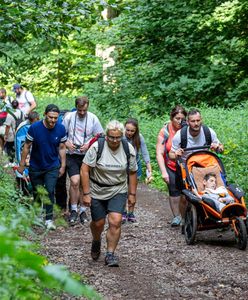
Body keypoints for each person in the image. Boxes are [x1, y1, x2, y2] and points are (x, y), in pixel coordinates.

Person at [81, 120, 137, 267]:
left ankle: (110, 254)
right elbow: (84, 169)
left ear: (122, 136)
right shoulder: (97, 147)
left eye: (118, 137)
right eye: (111, 137)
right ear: (106, 136)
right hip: (97, 189)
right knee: (98, 223)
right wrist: (86, 193)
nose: (114, 140)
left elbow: (132, 172)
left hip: (118, 189)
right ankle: (96, 239)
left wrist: (132, 194)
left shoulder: (127, 148)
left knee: (116, 221)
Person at [169, 108, 224, 228]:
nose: (196, 123)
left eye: (198, 120)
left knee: (213, 189)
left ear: (201, 120)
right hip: (186, 167)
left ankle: (215, 214)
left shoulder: (209, 132)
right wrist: (176, 154)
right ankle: (185, 221)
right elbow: (171, 154)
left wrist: (218, 147)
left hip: (205, 165)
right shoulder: (180, 135)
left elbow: (221, 148)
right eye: (193, 121)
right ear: (188, 122)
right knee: (185, 196)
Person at [17, 104, 67, 230]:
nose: (53, 121)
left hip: (52, 166)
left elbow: (61, 147)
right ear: (45, 115)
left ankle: (49, 219)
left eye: (55, 118)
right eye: (50, 117)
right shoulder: (34, 128)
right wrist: (22, 165)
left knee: (50, 191)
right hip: (36, 165)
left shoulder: (61, 128)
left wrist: (63, 165)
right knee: (37, 192)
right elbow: (27, 146)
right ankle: (38, 214)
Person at [62, 96, 104, 225]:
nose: (82, 113)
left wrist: (89, 144)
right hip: (72, 153)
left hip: (87, 155)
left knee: (83, 183)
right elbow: (61, 132)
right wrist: (66, 142)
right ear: (76, 107)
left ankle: (83, 210)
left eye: (84, 110)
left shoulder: (93, 118)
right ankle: (73, 209)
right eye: (79, 110)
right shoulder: (69, 117)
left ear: (87, 107)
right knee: (75, 181)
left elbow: (100, 135)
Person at [156, 105, 187, 227]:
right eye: (177, 118)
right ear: (171, 118)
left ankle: (186, 216)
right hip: (171, 165)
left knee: (185, 194)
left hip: (186, 165)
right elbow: (159, 152)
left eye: (182, 118)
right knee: (174, 191)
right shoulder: (165, 131)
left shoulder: (188, 128)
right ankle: (177, 217)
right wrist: (163, 171)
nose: (180, 121)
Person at [122, 117, 152, 223]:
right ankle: (123, 212)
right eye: (128, 130)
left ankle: (131, 212)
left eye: (132, 131)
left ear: (136, 131)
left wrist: (149, 170)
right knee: (122, 191)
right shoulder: (120, 137)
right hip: (121, 167)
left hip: (135, 166)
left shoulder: (139, 138)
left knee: (132, 191)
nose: (129, 133)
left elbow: (145, 153)